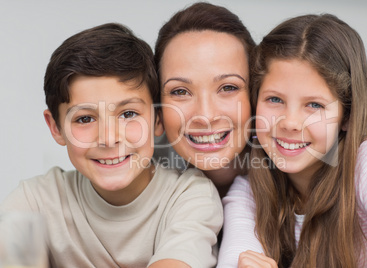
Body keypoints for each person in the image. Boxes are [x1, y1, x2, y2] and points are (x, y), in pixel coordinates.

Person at [0, 23, 223, 268]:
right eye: (85, 118)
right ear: (56, 127)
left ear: (158, 119)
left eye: (128, 114)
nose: (108, 138)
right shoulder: (35, 202)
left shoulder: (189, 197)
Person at [218, 14, 367, 267]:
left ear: (346, 115)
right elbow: (234, 260)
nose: (290, 122)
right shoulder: (248, 193)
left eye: (314, 105)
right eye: (274, 99)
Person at [153, 2, 256, 198]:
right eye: (181, 91)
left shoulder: (298, 174)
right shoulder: (137, 171)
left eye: (228, 87)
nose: (206, 116)